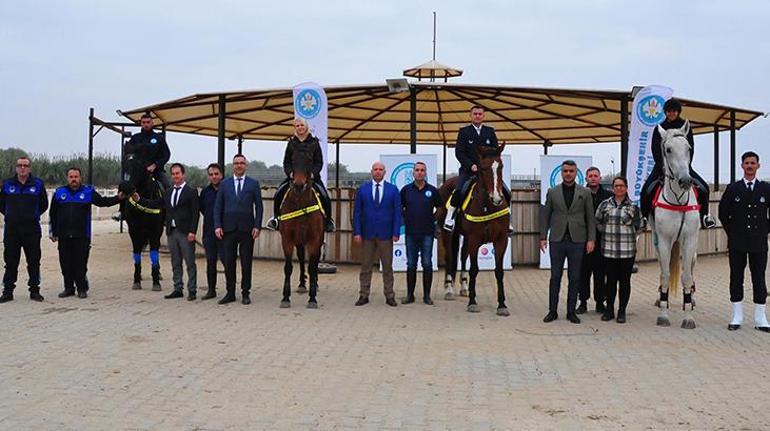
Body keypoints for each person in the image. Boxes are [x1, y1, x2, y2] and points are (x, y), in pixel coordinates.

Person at [640, 98, 715, 229]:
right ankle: (644, 218)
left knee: (704, 188)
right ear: (665, 112)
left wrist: (685, 165)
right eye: (669, 111)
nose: (671, 113)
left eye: (674, 111)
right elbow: (655, 149)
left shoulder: (685, 127)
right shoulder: (660, 128)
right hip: (662, 167)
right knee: (646, 190)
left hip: (683, 166)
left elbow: (690, 148)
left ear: (678, 112)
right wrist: (662, 167)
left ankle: (705, 217)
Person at [49, 167, 124, 299]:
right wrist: (53, 231)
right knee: (65, 264)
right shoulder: (59, 193)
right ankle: (68, 288)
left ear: (80, 178)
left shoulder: (88, 192)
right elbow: (53, 213)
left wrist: (118, 198)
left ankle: (82, 288)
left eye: (76, 177)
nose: (74, 179)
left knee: (80, 264)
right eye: (71, 177)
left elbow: (103, 202)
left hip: (82, 235)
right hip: (64, 235)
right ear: (67, 178)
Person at [718, 151, 770, 332]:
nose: (749, 166)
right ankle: (737, 315)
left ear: (758, 165)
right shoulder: (733, 189)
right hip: (737, 242)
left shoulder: (766, 189)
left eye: (753, 163)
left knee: (759, 278)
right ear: (742, 166)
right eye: (746, 163)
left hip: (759, 242)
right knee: (736, 278)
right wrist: (732, 232)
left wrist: (765, 229)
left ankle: (760, 317)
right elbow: (723, 213)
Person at [539, 160, 596, 324]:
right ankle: (552, 310)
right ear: (561, 173)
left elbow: (590, 218)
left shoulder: (584, 193)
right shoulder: (553, 192)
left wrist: (591, 239)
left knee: (575, 277)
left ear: (576, 172)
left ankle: (571, 311)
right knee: (555, 276)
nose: (568, 173)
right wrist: (543, 237)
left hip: (578, 240)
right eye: (565, 171)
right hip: (557, 240)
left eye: (571, 171)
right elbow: (545, 216)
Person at [443, 105, 512, 233]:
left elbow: (495, 151)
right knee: (459, 190)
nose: (477, 116)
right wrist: (470, 165)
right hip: (468, 171)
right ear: (470, 115)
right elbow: (459, 152)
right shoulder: (464, 132)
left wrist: (489, 163)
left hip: (487, 172)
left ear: (483, 116)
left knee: (506, 191)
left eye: (480, 114)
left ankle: (508, 219)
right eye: (475, 114)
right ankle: (450, 217)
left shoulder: (490, 131)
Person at [266, 118, 335, 232]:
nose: (300, 128)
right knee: (278, 193)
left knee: (325, 195)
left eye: (301, 125)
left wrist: (313, 174)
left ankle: (328, 221)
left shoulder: (314, 143)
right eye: (297, 126)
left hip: (312, 178)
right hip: (294, 177)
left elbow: (319, 162)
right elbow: (286, 162)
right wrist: (290, 173)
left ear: (306, 127)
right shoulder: (291, 143)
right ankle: (276, 219)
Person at [214, 154, 263, 305]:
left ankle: (245, 293)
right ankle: (230, 292)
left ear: (245, 165)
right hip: (228, 228)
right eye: (236, 163)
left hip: (247, 229)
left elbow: (259, 207)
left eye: (242, 163)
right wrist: (217, 225)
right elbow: (218, 207)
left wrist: (257, 225)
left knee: (246, 262)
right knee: (229, 262)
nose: (239, 165)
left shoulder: (253, 184)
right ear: (232, 165)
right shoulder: (225, 184)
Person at [0, 156, 49, 303]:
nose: (22, 168)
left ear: (29, 168)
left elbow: (44, 204)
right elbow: (1, 204)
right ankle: (8, 292)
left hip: (32, 230)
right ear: (16, 167)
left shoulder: (38, 184)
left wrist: (31, 216)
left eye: (25, 166)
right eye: (20, 165)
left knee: (34, 261)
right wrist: (11, 215)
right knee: (10, 262)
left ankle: (34, 291)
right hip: (12, 231)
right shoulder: (7, 184)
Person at [352, 161, 401, 307]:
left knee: (387, 267)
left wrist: (396, 231)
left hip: (386, 235)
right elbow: (357, 213)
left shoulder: (393, 190)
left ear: (385, 172)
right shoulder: (363, 190)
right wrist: (357, 232)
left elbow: (397, 213)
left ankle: (390, 295)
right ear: (371, 172)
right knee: (365, 266)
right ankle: (363, 295)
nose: (378, 171)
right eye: (375, 169)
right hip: (367, 234)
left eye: (380, 169)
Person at [595, 176, 641, 323]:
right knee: (610, 282)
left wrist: (630, 234)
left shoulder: (633, 207)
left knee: (625, 282)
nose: (619, 188)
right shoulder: (604, 205)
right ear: (612, 188)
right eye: (616, 186)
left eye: (622, 186)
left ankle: (622, 311)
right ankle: (609, 310)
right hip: (608, 250)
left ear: (626, 188)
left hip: (627, 251)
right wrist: (606, 231)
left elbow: (640, 226)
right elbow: (597, 221)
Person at [399, 161, 441, 305]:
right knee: (411, 264)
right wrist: (406, 218)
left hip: (427, 233)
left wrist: (432, 220)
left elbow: (440, 208)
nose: (419, 172)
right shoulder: (405, 190)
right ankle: (410, 295)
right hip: (410, 233)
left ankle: (427, 296)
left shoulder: (433, 191)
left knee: (427, 264)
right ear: (413, 173)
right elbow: (400, 207)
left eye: (422, 170)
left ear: (426, 173)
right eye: (417, 170)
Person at [157, 163, 200, 301]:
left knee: (190, 262)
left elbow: (195, 214)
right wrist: (140, 200)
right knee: (175, 262)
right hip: (172, 231)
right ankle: (178, 288)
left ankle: (192, 290)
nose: (175, 176)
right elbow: (159, 205)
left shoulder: (191, 192)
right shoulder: (168, 192)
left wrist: (193, 231)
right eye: (173, 174)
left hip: (185, 232)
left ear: (183, 174)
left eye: (178, 173)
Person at [577, 167, 613, 314]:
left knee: (600, 274)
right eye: (590, 176)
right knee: (583, 273)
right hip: (582, 240)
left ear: (600, 178)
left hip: (602, 240)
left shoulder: (608, 196)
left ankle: (600, 302)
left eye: (595, 176)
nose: (593, 178)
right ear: (586, 178)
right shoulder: (579, 194)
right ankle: (583, 302)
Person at [198, 163, 226, 300]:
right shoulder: (205, 192)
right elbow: (202, 209)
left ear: (221, 174)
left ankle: (230, 290)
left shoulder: (228, 189)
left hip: (225, 233)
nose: (214, 177)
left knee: (227, 261)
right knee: (211, 262)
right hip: (209, 232)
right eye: (211, 174)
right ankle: (211, 290)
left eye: (216, 174)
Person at [124, 112, 171, 190]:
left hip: (156, 171)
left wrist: (155, 165)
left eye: (148, 122)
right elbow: (127, 153)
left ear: (152, 123)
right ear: (141, 123)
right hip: (137, 172)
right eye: (144, 122)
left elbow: (166, 154)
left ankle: (170, 201)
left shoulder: (159, 138)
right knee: (124, 187)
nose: (146, 124)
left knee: (167, 186)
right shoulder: (135, 138)